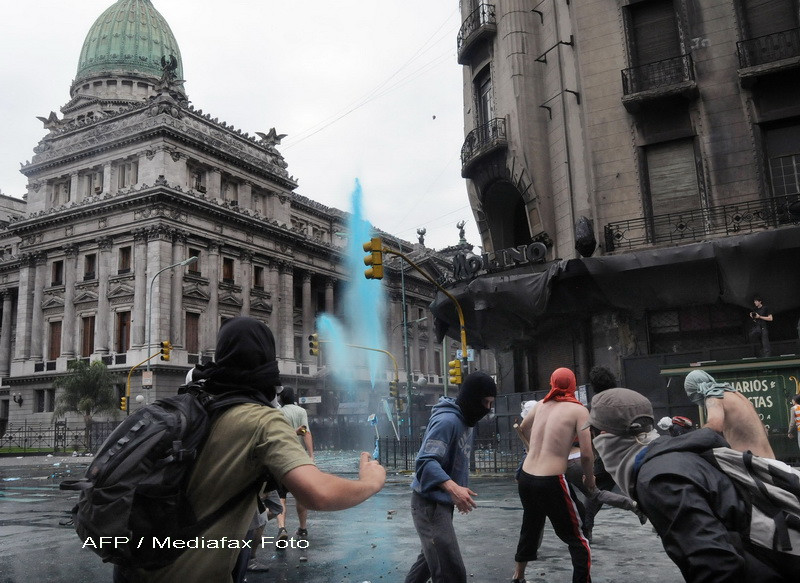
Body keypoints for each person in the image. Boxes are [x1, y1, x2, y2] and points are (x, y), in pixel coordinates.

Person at [114, 317, 385, 583]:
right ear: (268, 358)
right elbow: (318, 494)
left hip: (133, 568)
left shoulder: (190, 406)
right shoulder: (263, 420)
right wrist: (369, 483)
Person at [588, 388, 797, 582]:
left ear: (603, 436)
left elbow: (716, 566)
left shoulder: (658, 478)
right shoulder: (673, 454)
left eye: (592, 433)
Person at [404, 370, 497, 583]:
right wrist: (454, 489)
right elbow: (425, 462)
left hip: (440, 504)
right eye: (485, 402)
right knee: (451, 573)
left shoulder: (466, 419)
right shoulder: (447, 421)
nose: (488, 409)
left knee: (428, 563)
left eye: (492, 403)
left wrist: (455, 492)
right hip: (429, 505)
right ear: (472, 398)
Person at [512, 367, 594, 583]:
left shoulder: (541, 404)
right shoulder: (579, 410)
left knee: (530, 526)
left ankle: (518, 576)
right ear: (573, 385)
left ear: (552, 383)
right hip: (551, 480)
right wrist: (590, 478)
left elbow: (522, 427)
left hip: (527, 476)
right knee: (578, 537)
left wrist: (537, 444)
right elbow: (586, 454)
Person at [684, 369, 775, 458]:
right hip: (769, 460)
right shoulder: (734, 394)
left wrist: (689, 439)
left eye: (691, 394)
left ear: (696, 389)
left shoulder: (714, 397)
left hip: (753, 463)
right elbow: (765, 430)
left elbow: (714, 425)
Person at [275, 386, 314, 542]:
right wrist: (311, 455)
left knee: (281, 496)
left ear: (281, 399)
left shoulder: (277, 413)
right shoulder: (301, 412)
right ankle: (303, 528)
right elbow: (305, 431)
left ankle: (282, 528)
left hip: (281, 459)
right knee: (300, 496)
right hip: (299, 459)